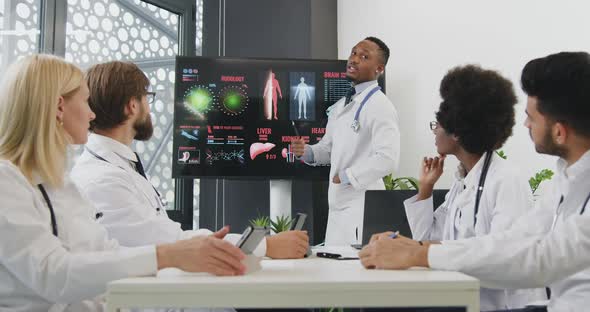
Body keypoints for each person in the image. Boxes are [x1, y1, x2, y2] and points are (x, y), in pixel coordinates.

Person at [0, 54, 246, 311]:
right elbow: (53, 275)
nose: (91, 113)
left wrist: (182, 254)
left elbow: (105, 252)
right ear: (60, 107)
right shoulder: (7, 181)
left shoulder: (60, 185)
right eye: (85, 101)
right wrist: (168, 255)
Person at [359, 51, 590, 312]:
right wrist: (414, 246)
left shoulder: (507, 180)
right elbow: (515, 240)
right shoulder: (565, 175)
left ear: (559, 132)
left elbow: (538, 258)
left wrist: (419, 253)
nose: (525, 125)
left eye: (532, 118)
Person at [70, 61, 308, 259]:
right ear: (132, 106)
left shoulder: (119, 168)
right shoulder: (102, 180)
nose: (149, 108)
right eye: (147, 98)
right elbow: (171, 242)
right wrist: (267, 246)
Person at [402, 65, 545, 310]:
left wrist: (414, 251)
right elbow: (427, 240)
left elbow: (503, 259)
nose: (435, 131)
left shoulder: (506, 180)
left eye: (437, 124)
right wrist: (426, 188)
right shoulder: (464, 182)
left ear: (457, 131)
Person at [291, 36, 400, 246]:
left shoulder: (381, 106)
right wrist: (308, 152)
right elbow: (329, 149)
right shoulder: (341, 106)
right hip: (338, 208)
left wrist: (347, 176)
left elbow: (388, 159)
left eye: (364, 56)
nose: (354, 59)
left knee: (355, 273)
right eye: (353, 53)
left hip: (362, 206)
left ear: (379, 69)